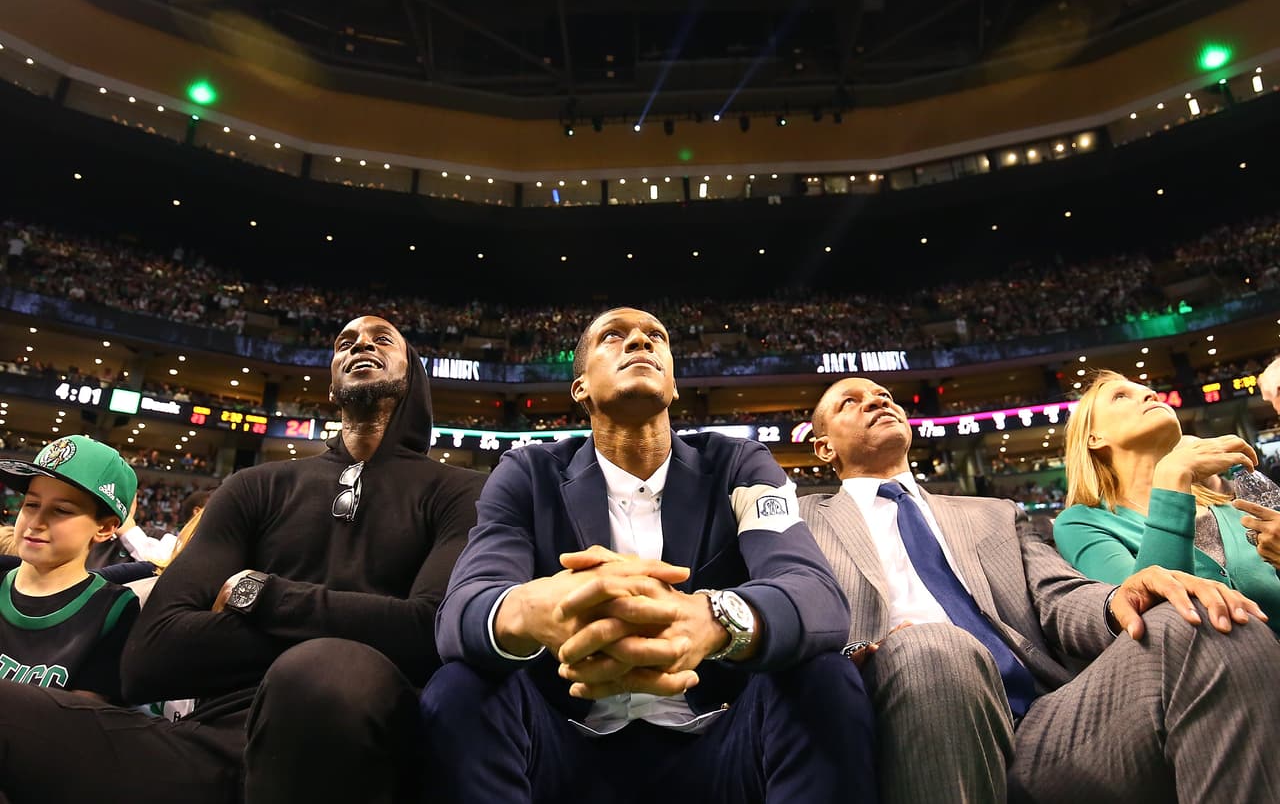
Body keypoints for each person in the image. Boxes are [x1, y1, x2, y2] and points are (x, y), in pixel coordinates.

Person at [0, 315, 485, 804]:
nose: (361, 344)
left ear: (413, 372)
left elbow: (430, 631)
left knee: (325, 670)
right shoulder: (254, 486)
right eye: (345, 342)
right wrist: (366, 621)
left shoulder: (461, 493)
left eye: (382, 339)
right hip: (207, 744)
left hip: (355, 751)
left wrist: (264, 596)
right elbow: (152, 655)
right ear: (332, 379)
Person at [422, 307, 872, 804]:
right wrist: (536, 611)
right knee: (458, 688)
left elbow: (814, 592)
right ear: (580, 389)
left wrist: (716, 618)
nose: (640, 341)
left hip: (722, 740)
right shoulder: (527, 471)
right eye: (614, 337)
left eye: (655, 336)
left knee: (824, 676)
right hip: (565, 741)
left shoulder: (739, 463)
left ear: (674, 386)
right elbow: (464, 608)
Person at [801, 376, 1280, 803]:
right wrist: (860, 654)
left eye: (884, 395)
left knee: (1208, 616)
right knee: (933, 645)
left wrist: (1118, 600)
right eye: (851, 402)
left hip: (1040, 726)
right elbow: (784, 624)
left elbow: (1059, 597)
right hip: (891, 731)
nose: (877, 402)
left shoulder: (993, 513)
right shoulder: (800, 523)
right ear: (824, 448)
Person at [1055, 370, 1280, 631]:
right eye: (1120, 396)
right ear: (1094, 438)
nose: (1150, 393)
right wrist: (1172, 475)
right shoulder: (1080, 523)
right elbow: (1150, 620)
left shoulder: (1229, 507)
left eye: (1147, 390)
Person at [0, 435, 139, 703]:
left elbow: (79, 724)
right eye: (31, 504)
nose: (36, 522)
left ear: (106, 527)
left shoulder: (114, 609)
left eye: (61, 510)